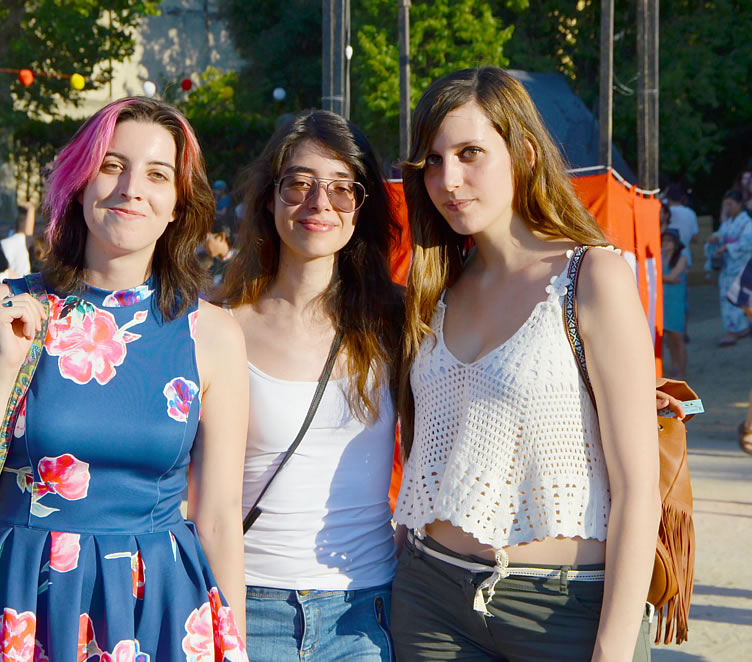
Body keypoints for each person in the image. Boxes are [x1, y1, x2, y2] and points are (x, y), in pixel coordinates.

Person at [0, 96, 249, 661]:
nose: (131, 189)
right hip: (18, 605)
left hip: (160, 610)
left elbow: (219, 520)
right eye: (112, 165)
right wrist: (5, 369)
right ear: (78, 183)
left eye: (157, 174)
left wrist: (234, 644)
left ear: (178, 203)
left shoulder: (212, 335)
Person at [390, 67, 660, 661]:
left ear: (525, 154)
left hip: (564, 611)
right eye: (433, 161)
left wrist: (613, 650)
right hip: (431, 602)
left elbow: (639, 489)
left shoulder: (592, 277)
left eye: (470, 153)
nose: (448, 180)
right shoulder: (434, 289)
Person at [219, 110, 402, 660]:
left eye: (342, 188)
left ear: (361, 207)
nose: (319, 203)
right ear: (270, 198)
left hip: (365, 614)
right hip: (249, 605)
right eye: (299, 183)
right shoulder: (221, 326)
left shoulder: (396, 322)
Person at [705, 190, 752, 346]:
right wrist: (715, 238)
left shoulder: (747, 223)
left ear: (739, 204)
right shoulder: (727, 223)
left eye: (730, 204)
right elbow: (721, 235)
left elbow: (747, 244)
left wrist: (727, 247)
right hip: (727, 267)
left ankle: (736, 330)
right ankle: (735, 329)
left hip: (741, 266)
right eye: (726, 205)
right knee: (728, 299)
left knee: (737, 299)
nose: (728, 208)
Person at [661, 229, 689, 378]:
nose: (665, 243)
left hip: (676, 302)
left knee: (678, 338)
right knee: (670, 339)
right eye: (664, 240)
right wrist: (668, 278)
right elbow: (671, 278)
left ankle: (682, 372)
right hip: (664, 301)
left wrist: (660, 277)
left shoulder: (682, 258)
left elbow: (673, 277)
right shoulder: (660, 257)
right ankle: (675, 367)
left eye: (669, 240)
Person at [0, 203, 35, 278]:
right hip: (25, 282)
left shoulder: (2, 243)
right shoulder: (28, 242)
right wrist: (31, 210)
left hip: (7, 282)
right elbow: (29, 233)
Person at [205, 218, 237, 289]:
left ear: (221, 237)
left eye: (206, 239)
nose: (204, 245)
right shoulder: (211, 267)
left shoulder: (240, 262)